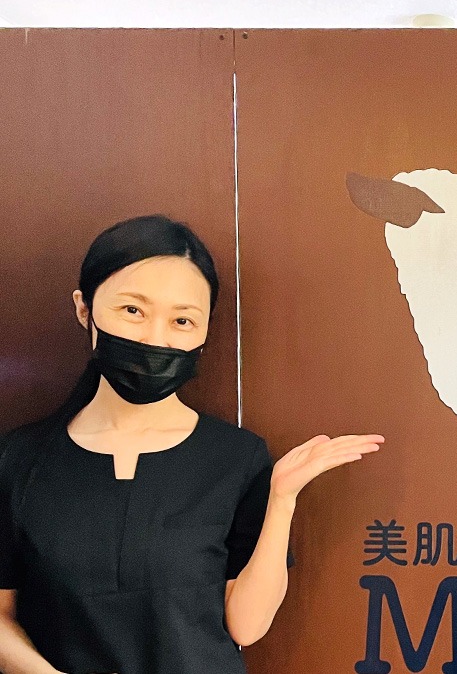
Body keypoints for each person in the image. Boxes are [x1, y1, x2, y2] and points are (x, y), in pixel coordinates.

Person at [0, 215, 384, 674]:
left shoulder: (237, 458)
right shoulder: (19, 460)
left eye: (182, 320)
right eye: (133, 311)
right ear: (85, 308)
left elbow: (246, 626)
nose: (155, 338)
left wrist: (282, 499)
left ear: (203, 333)